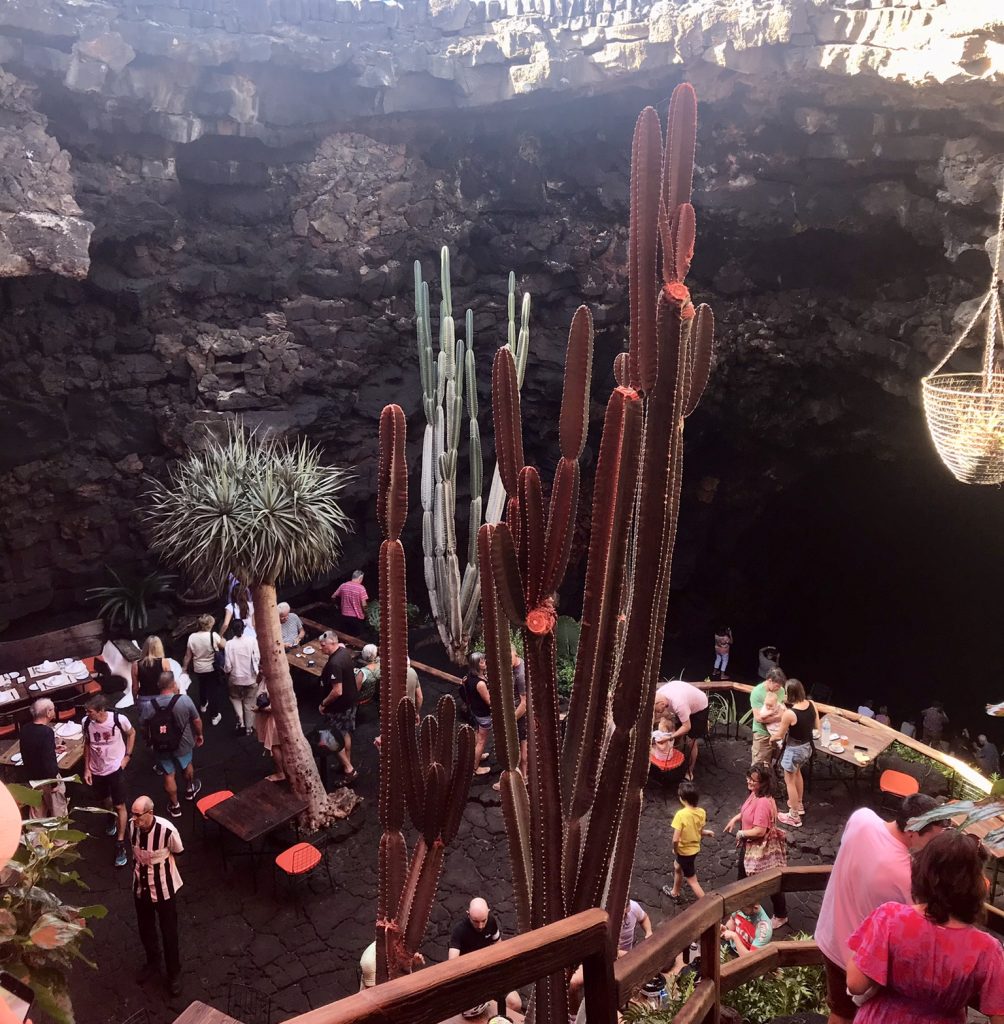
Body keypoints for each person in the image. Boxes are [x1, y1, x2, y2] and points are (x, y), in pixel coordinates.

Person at [846, 829, 1004, 1023]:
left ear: (924, 872)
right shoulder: (987, 949)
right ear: (978, 884)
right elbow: (999, 1014)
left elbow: (856, 984)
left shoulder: (890, 917)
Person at [814, 792, 944, 1024]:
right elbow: (919, 921)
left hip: (830, 934)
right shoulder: (904, 875)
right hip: (861, 964)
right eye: (932, 840)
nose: (934, 847)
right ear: (912, 833)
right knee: (857, 1015)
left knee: (839, 1011)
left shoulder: (861, 818)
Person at [129, 794, 185, 996]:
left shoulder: (167, 830)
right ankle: (153, 962)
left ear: (150, 813)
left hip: (164, 891)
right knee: (146, 929)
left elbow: (178, 852)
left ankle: (173, 974)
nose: (135, 819)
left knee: (169, 933)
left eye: (138, 815)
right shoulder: (131, 827)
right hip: (140, 889)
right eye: (133, 815)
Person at [723, 762, 788, 929]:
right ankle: (744, 910)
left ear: (763, 783)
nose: (749, 782)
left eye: (754, 780)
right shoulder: (756, 794)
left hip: (757, 848)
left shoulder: (763, 803)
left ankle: (744, 914)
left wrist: (741, 833)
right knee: (765, 881)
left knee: (749, 881)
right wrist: (736, 819)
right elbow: (747, 811)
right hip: (752, 846)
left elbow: (759, 830)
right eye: (749, 778)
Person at [139, 672, 204, 817]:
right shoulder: (184, 701)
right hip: (184, 742)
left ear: (158, 686)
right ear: (173, 684)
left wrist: (147, 740)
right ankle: (189, 790)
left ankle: (175, 806)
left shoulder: (150, 705)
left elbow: (143, 725)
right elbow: (197, 720)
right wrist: (199, 735)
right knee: (187, 765)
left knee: (169, 774)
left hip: (161, 745)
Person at [81, 694, 135, 867]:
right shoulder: (86, 722)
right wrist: (87, 767)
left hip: (115, 768)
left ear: (101, 710)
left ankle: (120, 843)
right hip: (97, 769)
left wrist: (127, 756)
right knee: (105, 800)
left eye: (90, 712)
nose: (87, 714)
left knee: (120, 805)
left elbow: (131, 733)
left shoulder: (119, 719)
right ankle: (111, 817)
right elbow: (88, 744)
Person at [448, 898, 521, 1019]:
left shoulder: (492, 922)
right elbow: (452, 963)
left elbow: (499, 945)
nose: (480, 926)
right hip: (471, 979)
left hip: (490, 973)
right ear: (468, 914)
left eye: (483, 920)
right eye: (475, 921)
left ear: (488, 912)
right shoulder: (459, 930)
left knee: (515, 1003)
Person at [771, 678, 820, 828]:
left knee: (789, 781)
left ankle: (794, 816)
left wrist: (771, 739)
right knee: (797, 773)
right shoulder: (812, 704)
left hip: (794, 750)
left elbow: (779, 735)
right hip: (807, 747)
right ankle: (798, 804)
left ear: (789, 694)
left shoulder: (790, 714)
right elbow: (817, 726)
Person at [662, 781, 714, 904]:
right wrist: (706, 833)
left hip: (684, 852)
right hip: (694, 849)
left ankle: (708, 904)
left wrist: (675, 849)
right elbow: (699, 830)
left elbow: (675, 839)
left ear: (683, 799)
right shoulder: (701, 812)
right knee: (677, 867)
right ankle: (675, 891)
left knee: (692, 881)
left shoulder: (681, 815)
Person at [317, 632, 358, 781]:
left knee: (329, 738)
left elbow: (337, 691)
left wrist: (323, 703)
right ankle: (345, 762)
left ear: (332, 643)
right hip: (350, 703)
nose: (321, 649)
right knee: (345, 733)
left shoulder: (334, 664)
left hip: (338, 707)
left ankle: (349, 770)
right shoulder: (344, 651)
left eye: (323, 646)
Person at [19, 698, 67, 819]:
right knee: (58, 813)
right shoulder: (46, 732)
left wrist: (52, 748)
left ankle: (35, 838)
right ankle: (59, 838)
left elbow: (30, 751)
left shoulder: (25, 729)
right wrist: (54, 783)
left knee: (37, 814)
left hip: (33, 779)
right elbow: (49, 762)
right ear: (48, 712)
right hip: (47, 780)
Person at [653, 679, 709, 782]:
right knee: (676, 732)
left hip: (700, 708)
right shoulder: (660, 693)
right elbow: (659, 716)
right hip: (686, 704)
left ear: (661, 703)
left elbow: (687, 726)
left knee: (691, 741)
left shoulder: (678, 704)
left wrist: (670, 737)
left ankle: (690, 770)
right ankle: (674, 760)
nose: (657, 712)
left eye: (657, 710)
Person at [181, 614, 225, 723]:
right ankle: (215, 716)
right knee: (213, 691)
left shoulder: (192, 637)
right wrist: (223, 639)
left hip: (199, 668)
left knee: (202, 686)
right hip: (211, 667)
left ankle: (203, 704)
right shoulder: (213, 636)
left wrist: (184, 668)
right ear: (210, 624)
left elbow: (188, 655)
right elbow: (224, 646)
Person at [224, 620, 260, 736]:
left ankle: (241, 720)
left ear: (232, 630)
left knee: (235, 698)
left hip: (235, 679)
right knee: (249, 702)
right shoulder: (252, 641)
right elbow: (257, 658)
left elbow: (228, 666)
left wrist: (226, 671)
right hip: (250, 679)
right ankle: (249, 728)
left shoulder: (229, 644)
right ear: (244, 628)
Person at [463, 653, 492, 777]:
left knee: (478, 736)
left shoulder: (469, 677)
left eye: (484, 660)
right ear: (476, 665)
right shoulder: (480, 684)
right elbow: (489, 702)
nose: (484, 662)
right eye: (481, 662)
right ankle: (475, 768)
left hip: (475, 711)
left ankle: (476, 757)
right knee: (482, 740)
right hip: (483, 714)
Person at [749, 667, 786, 765]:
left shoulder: (781, 690)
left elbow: (781, 706)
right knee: (760, 763)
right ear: (769, 681)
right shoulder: (757, 692)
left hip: (777, 731)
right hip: (762, 732)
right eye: (777, 686)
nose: (779, 688)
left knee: (774, 758)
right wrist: (780, 717)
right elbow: (759, 718)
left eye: (780, 686)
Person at [252, 684, 284, 782]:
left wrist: (259, 709)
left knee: (275, 746)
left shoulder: (273, 684)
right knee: (279, 745)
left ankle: (281, 773)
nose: (260, 669)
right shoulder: (265, 679)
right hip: (272, 719)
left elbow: (275, 707)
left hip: (273, 720)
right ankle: (284, 768)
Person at [132, 635, 171, 705]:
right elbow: (169, 683)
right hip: (161, 699)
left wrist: (135, 700)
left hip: (144, 699)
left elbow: (135, 687)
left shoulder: (136, 664)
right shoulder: (164, 662)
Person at [331, 570, 368, 636]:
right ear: (360, 578)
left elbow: (333, 596)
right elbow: (364, 604)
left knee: (346, 635)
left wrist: (336, 605)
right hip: (357, 617)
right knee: (358, 636)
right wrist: (366, 613)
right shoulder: (361, 588)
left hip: (344, 615)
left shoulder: (343, 585)